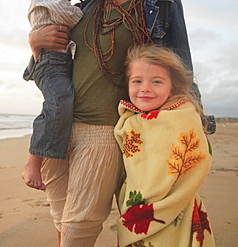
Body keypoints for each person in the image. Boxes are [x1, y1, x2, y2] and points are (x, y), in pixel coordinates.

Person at [23, 0, 215, 246]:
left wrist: (197, 122)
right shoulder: (82, 8)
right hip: (57, 129)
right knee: (61, 219)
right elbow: (56, 63)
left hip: (102, 131)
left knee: (79, 226)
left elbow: (180, 67)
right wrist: (35, 44)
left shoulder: (160, 5)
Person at [114, 44, 215, 246]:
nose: (145, 88)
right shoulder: (131, 121)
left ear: (173, 86)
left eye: (157, 81)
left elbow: (196, 162)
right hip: (135, 208)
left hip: (176, 207)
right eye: (137, 81)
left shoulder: (183, 117)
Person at [22, 0, 83, 191]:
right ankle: (33, 162)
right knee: (58, 103)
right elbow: (69, 16)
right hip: (49, 62)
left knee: (61, 102)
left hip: (60, 61)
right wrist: (81, 10)